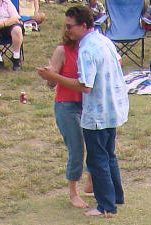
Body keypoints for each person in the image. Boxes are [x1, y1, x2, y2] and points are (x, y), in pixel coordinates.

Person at [36, 5, 129, 216]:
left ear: (84, 26)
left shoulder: (87, 49)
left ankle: (106, 207)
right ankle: (115, 196)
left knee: (98, 160)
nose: (66, 30)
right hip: (112, 109)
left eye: (70, 26)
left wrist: (53, 77)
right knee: (109, 155)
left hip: (96, 112)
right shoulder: (105, 41)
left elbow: (85, 85)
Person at [45, 28, 93, 209]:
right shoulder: (62, 50)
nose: (68, 30)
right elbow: (51, 82)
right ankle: (73, 192)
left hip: (87, 105)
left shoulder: (89, 48)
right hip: (67, 106)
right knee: (77, 149)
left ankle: (90, 181)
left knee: (95, 144)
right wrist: (50, 74)